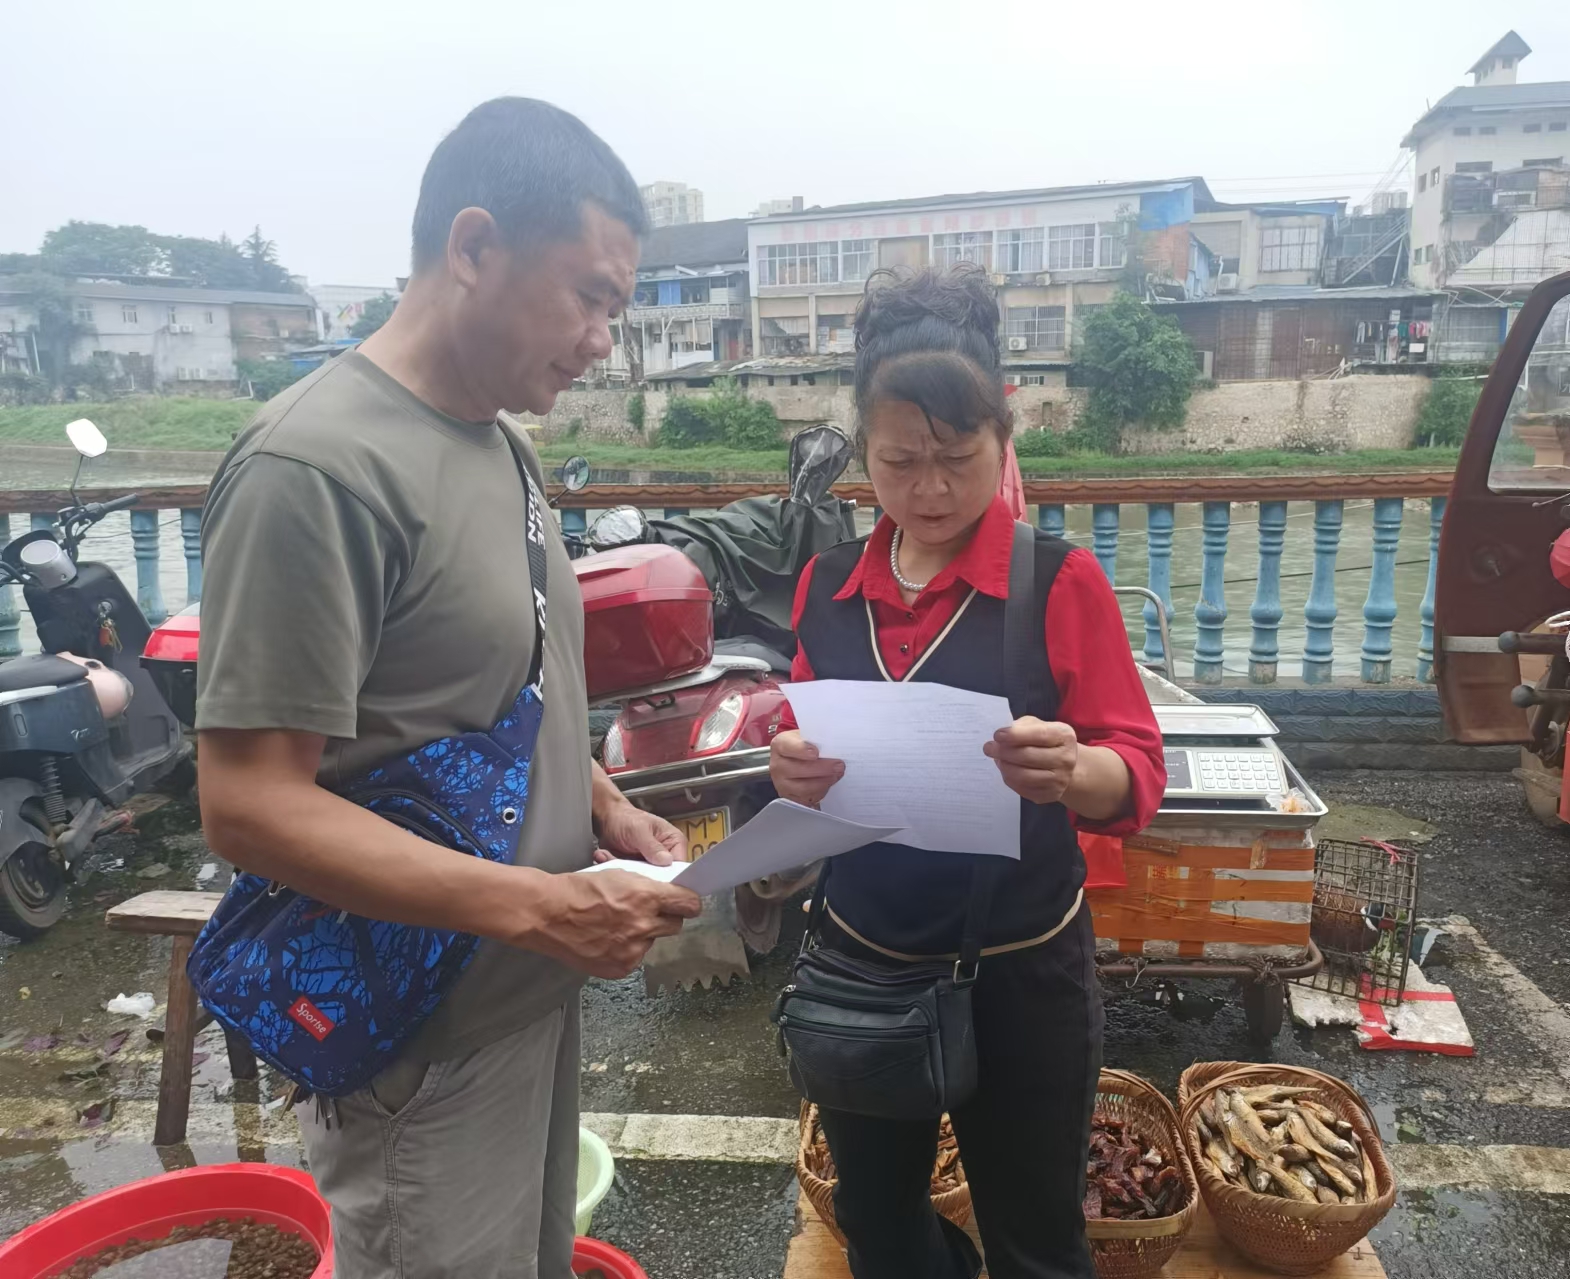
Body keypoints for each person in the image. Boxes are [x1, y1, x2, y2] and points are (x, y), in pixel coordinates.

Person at [195, 98, 701, 1279]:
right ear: (473, 246)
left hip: (528, 995)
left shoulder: (503, 446)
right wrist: (535, 906)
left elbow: (507, 686)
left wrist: (606, 807)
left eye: (618, 310)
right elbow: (249, 805)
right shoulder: (314, 467)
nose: (601, 341)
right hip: (416, 1038)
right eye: (590, 297)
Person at [770, 266, 1165, 1279]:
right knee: (877, 1221)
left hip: (1023, 970)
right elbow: (805, 750)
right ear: (865, 452)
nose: (931, 490)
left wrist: (1073, 768)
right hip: (864, 956)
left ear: (1004, 439)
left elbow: (1137, 773)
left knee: (1037, 1238)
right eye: (900, 462)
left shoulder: (1056, 582)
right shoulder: (825, 587)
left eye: (958, 458)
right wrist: (792, 774)